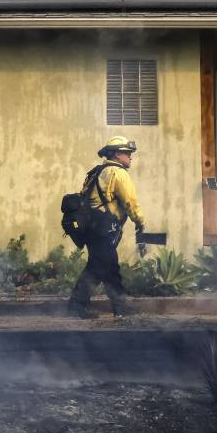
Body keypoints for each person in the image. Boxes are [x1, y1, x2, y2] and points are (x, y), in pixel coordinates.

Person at [67, 136, 148, 319]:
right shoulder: (118, 173)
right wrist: (140, 222)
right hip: (103, 229)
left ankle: (119, 307)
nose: (130, 158)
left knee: (108, 268)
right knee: (97, 269)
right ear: (118, 154)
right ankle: (77, 307)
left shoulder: (97, 172)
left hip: (93, 227)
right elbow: (130, 202)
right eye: (127, 154)